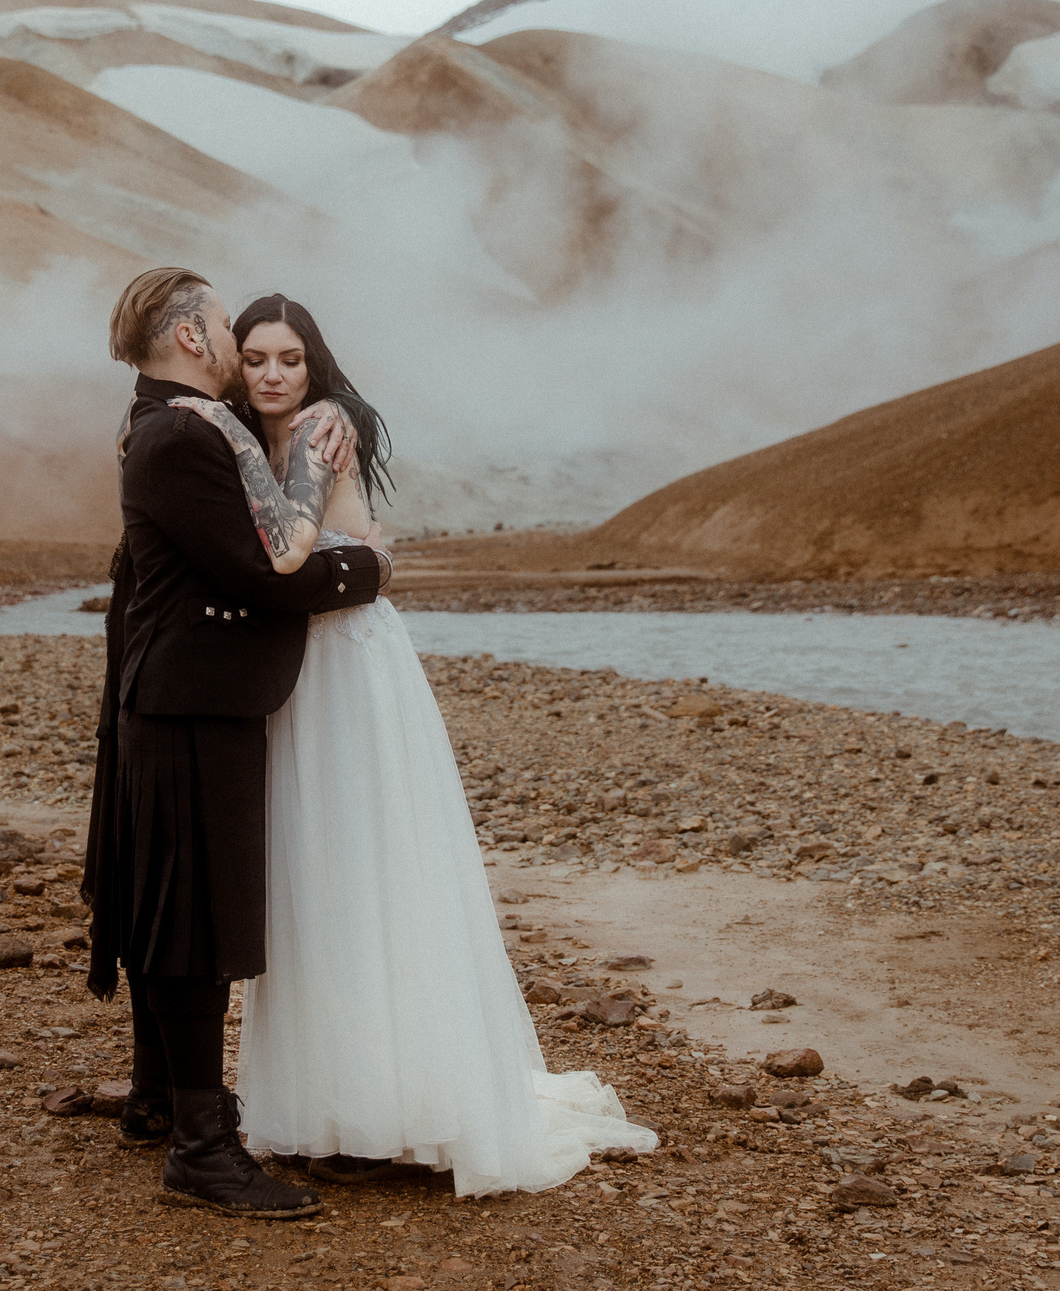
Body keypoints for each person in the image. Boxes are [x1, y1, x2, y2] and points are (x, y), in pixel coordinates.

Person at [175, 293, 659, 1197]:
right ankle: (337, 1103)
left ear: (314, 365)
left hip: (347, 669)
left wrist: (231, 430)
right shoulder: (266, 428)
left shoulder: (318, 428)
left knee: (364, 869)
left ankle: (389, 1104)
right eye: (257, 358)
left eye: (290, 358)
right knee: (311, 877)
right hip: (295, 669)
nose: (273, 374)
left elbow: (287, 549)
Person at [82, 267, 387, 1220]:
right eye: (223, 325)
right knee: (192, 922)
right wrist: (367, 570)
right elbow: (262, 569)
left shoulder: (165, 422)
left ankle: (159, 1098)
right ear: (191, 337)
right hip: (189, 700)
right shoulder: (181, 433)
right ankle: (201, 1149)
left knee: (169, 902)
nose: (233, 340)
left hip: (175, 693)